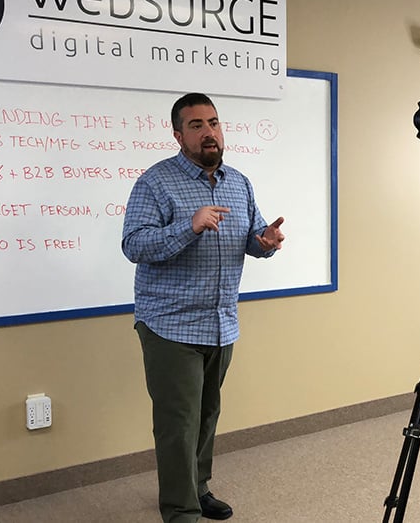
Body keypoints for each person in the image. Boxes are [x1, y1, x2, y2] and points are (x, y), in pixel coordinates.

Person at [122, 92, 285, 522]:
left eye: (213, 122)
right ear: (179, 135)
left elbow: (251, 237)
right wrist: (189, 226)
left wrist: (265, 243)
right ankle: (181, 511)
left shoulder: (239, 182)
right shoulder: (154, 183)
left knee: (207, 414)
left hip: (221, 322)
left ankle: (198, 488)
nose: (208, 132)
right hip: (170, 326)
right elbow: (134, 245)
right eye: (196, 125)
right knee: (178, 423)